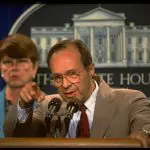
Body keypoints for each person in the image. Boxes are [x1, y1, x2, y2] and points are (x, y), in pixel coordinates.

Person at [4, 39, 150, 147]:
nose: (66, 85)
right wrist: (24, 105)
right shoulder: (49, 106)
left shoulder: (130, 100)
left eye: (72, 74)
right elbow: (15, 134)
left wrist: (144, 133)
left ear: (91, 69)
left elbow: (146, 126)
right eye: (58, 77)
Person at [0, 33, 45, 138]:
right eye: (7, 62)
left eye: (21, 61)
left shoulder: (47, 106)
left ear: (35, 68)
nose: (14, 67)